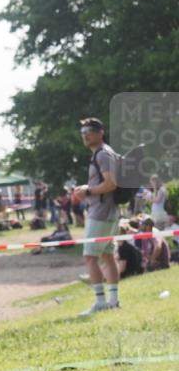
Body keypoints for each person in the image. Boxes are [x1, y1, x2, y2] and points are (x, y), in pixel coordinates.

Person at [72, 117, 121, 316]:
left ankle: (101, 302)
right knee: (108, 256)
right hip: (110, 212)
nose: (85, 134)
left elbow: (111, 184)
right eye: (82, 131)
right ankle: (113, 300)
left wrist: (87, 191)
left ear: (101, 132)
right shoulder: (105, 153)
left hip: (100, 213)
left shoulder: (102, 154)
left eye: (89, 130)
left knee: (90, 257)